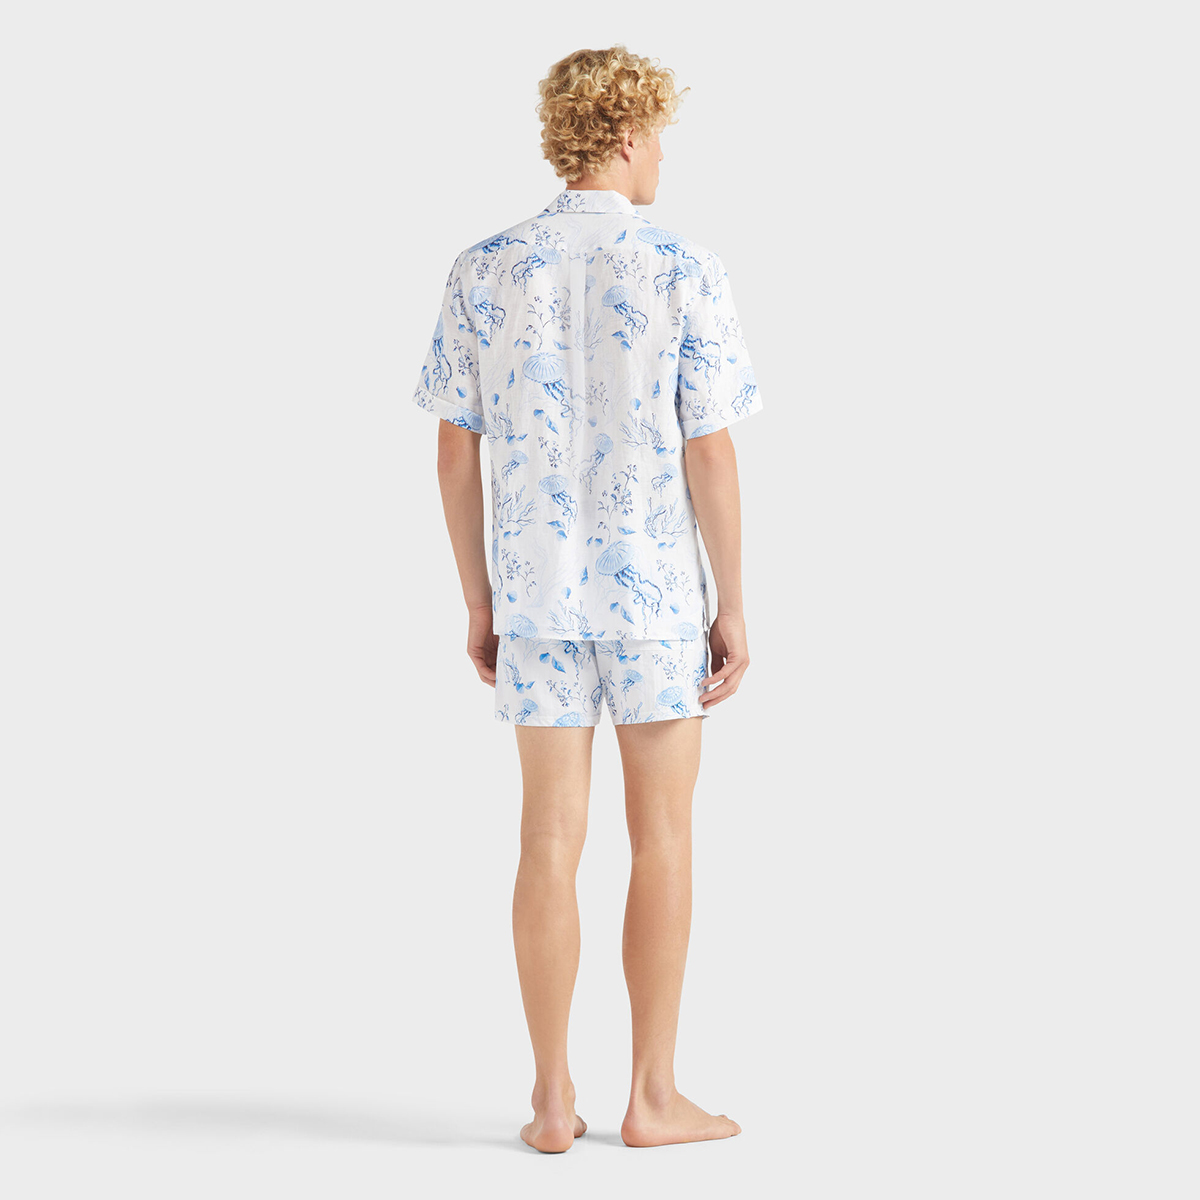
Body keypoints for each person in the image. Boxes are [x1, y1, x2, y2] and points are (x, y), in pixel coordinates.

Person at [410, 45, 763, 1152]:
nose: (663, 157)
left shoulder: (482, 267)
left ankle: (553, 1100)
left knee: (546, 842)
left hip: (535, 597)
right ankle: (652, 1098)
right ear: (625, 133)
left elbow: (454, 455)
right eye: (657, 135)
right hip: (656, 598)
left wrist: (478, 601)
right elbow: (711, 451)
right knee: (663, 840)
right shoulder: (684, 266)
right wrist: (733, 602)